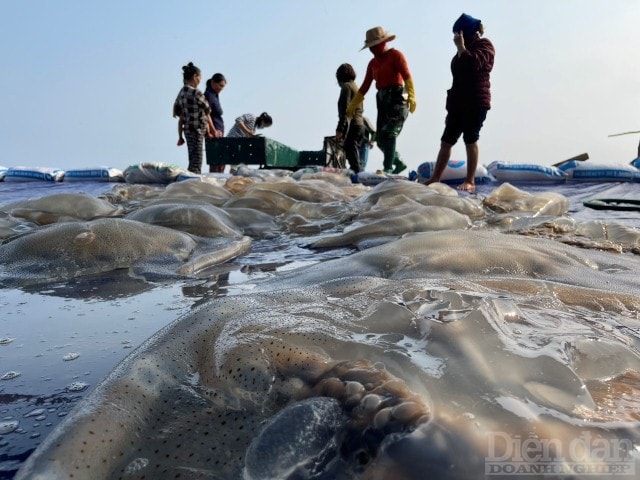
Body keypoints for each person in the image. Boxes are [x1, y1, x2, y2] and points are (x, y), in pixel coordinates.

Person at [423, 13, 495, 193]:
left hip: (476, 101)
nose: (455, 38)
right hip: (458, 104)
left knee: (470, 140)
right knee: (446, 141)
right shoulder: (461, 51)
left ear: (466, 32)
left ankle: (470, 180)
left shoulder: (484, 45)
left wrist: (462, 47)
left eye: (458, 34)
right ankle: (435, 178)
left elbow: (473, 65)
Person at [347, 26, 416, 175]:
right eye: (370, 47)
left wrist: (412, 95)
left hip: (397, 99)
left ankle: (388, 168)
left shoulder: (396, 55)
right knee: (379, 139)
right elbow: (365, 86)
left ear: (383, 43)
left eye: (375, 46)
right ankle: (398, 162)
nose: (373, 50)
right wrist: (354, 103)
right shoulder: (372, 64)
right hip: (382, 101)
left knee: (390, 133)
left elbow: (407, 75)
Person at [173, 62, 214, 174]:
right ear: (195, 77)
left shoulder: (181, 92)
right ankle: (193, 183)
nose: (200, 80)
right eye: (200, 77)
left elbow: (176, 110)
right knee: (197, 159)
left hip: (187, 129)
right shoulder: (196, 92)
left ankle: (190, 180)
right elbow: (207, 109)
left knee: (192, 157)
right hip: (197, 129)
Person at [335, 63, 365, 173]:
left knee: (354, 163)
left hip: (353, 126)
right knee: (355, 158)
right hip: (361, 127)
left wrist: (340, 129)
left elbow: (345, 111)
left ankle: (358, 179)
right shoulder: (355, 86)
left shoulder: (346, 87)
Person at [204, 73, 227, 173]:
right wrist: (213, 131)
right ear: (213, 82)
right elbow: (206, 114)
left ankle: (218, 181)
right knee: (216, 159)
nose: (221, 88)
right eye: (220, 85)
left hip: (218, 130)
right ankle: (214, 182)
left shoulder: (215, 94)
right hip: (214, 132)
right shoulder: (208, 95)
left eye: (223, 87)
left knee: (220, 159)